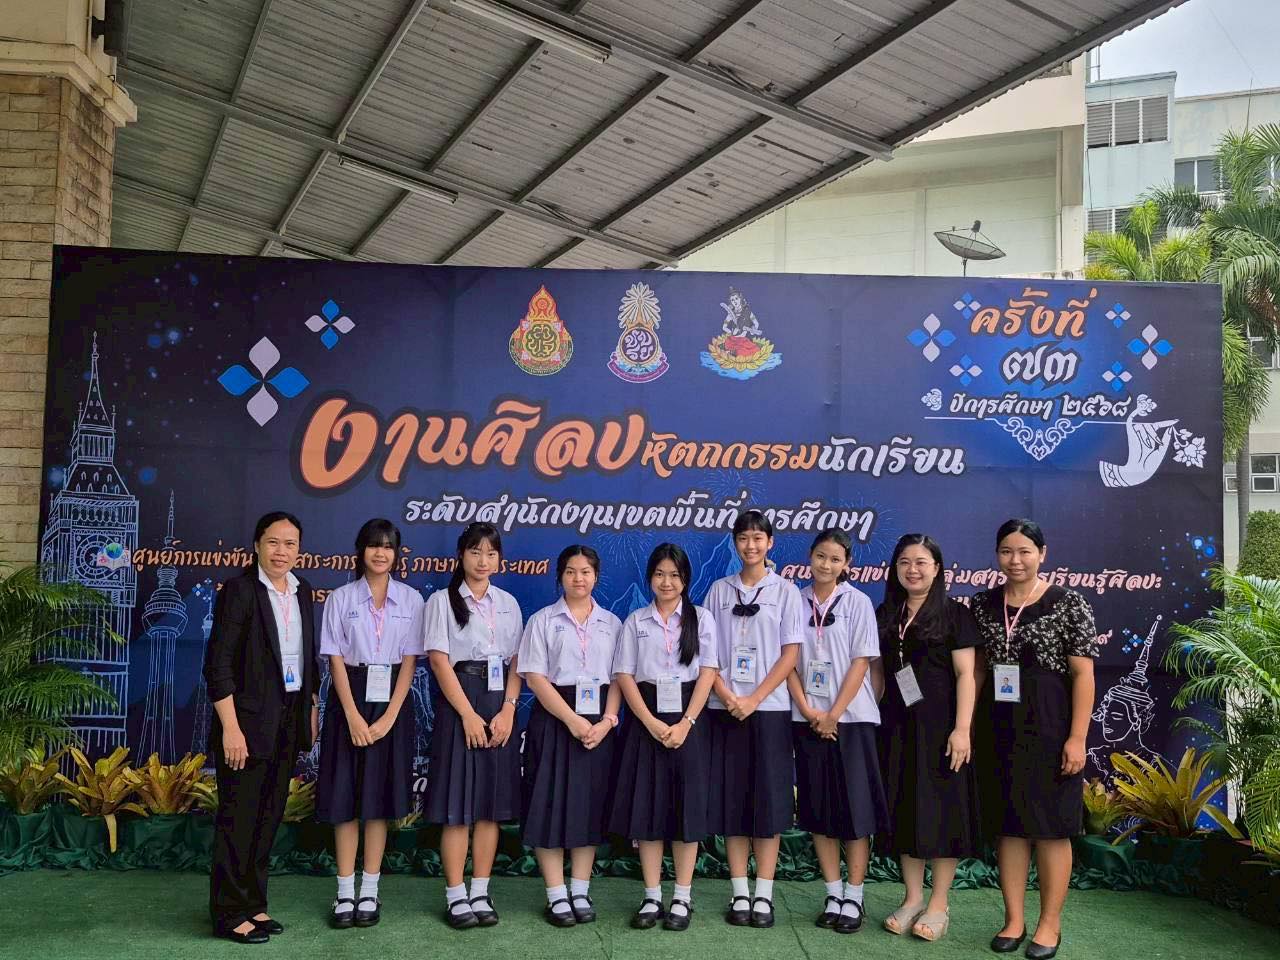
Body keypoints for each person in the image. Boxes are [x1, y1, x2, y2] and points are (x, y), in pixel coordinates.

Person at [971, 520, 1098, 960]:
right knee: (1009, 827)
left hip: (1050, 726)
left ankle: (1049, 924)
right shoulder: (982, 604)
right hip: (998, 727)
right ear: (997, 554)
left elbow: (1083, 675)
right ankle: (1013, 919)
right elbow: (978, 671)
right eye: (1007, 551)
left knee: (1050, 829)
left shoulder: (1070, 603)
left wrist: (1077, 737)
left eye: (1025, 551)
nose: (1015, 560)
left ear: (1042, 553)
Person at [204, 511, 320, 944]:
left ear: (299, 550)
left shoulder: (302, 590)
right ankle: (228, 913)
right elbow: (218, 665)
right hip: (246, 725)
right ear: (256, 545)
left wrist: (311, 708)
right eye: (273, 542)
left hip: (287, 721)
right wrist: (231, 729)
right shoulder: (240, 591)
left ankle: (253, 903)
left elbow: (307, 658)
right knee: (239, 818)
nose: (281, 552)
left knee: (268, 816)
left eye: (290, 544)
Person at [874, 533, 982, 944]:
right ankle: (913, 898)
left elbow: (966, 675)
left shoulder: (955, 615)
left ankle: (938, 903)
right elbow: (879, 673)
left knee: (942, 811)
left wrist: (962, 729)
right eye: (904, 562)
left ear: (937, 568)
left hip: (942, 729)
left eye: (921, 562)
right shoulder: (887, 612)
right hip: (897, 727)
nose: (912, 570)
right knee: (905, 807)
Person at [316, 518, 424, 929]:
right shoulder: (340, 598)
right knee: (345, 801)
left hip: (392, 698)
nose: (381, 553)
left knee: (377, 803)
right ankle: (344, 892)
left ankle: (370, 891)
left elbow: (411, 661)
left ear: (397, 554)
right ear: (360, 551)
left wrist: (390, 716)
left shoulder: (412, 599)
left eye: (389, 546)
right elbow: (335, 660)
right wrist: (352, 716)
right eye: (374, 545)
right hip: (350, 698)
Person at [609, 543, 719, 932]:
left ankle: (682, 897)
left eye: (674, 575)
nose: (666, 582)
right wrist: (649, 722)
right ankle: (652, 894)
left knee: (685, 809)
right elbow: (624, 675)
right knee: (649, 809)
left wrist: (686, 722)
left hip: (689, 719)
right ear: (650, 578)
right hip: (646, 719)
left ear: (685, 579)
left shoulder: (702, 619)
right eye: (659, 574)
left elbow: (708, 672)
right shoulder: (635, 621)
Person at [704, 510, 804, 928]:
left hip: (770, 710)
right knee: (733, 802)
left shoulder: (786, 592)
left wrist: (755, 698)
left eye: (758, 538)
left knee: (769, 802)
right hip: (725, 710)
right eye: (744, 538)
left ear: (770, 543)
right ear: (735, 543)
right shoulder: (719, 590)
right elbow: (707, 654)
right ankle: (740, 891)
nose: (751, 545)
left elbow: (791, 654)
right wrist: (729, 697)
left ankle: (764, 893)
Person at [787, 529, 888, 935]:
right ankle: (832, 892)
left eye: (835, 559)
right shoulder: (794, 600)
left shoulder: (857, 602)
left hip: (851, 719)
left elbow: (862, 663)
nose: (826, 565)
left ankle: (855, 895)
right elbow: (787, 661)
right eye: (820, 556)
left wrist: (834, 714)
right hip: (808, 719)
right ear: (810, 557)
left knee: (855, 810)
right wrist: (810, 710)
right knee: (818, 810)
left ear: (847, 564)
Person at [423, 523, 524, 929]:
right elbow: (438, 661)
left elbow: (517, 662)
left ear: (499, 560)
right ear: (461, 555)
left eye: (490, 554)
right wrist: (466, 713)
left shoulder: (509, 603)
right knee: (458, 808)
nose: (483, 561)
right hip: (459, 701)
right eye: (475, 552)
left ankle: (480, 891)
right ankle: (455, 895)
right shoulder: (441, 601)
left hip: (499, 703)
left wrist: (509, 710)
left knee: (489, 807)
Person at [518, 545, 623, 927]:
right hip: (555, 719)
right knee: (548, 805)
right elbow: (534, 677)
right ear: (560, 576)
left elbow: (620, 677)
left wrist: (607, 720)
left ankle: (580, 889)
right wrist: (572, 720)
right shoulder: (543, 620)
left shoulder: (612, 623)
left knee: (588, 805)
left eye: (586, 572)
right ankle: (556, 894)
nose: (579, 579)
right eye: (570, 572)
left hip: (598, 724)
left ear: (596, 576)